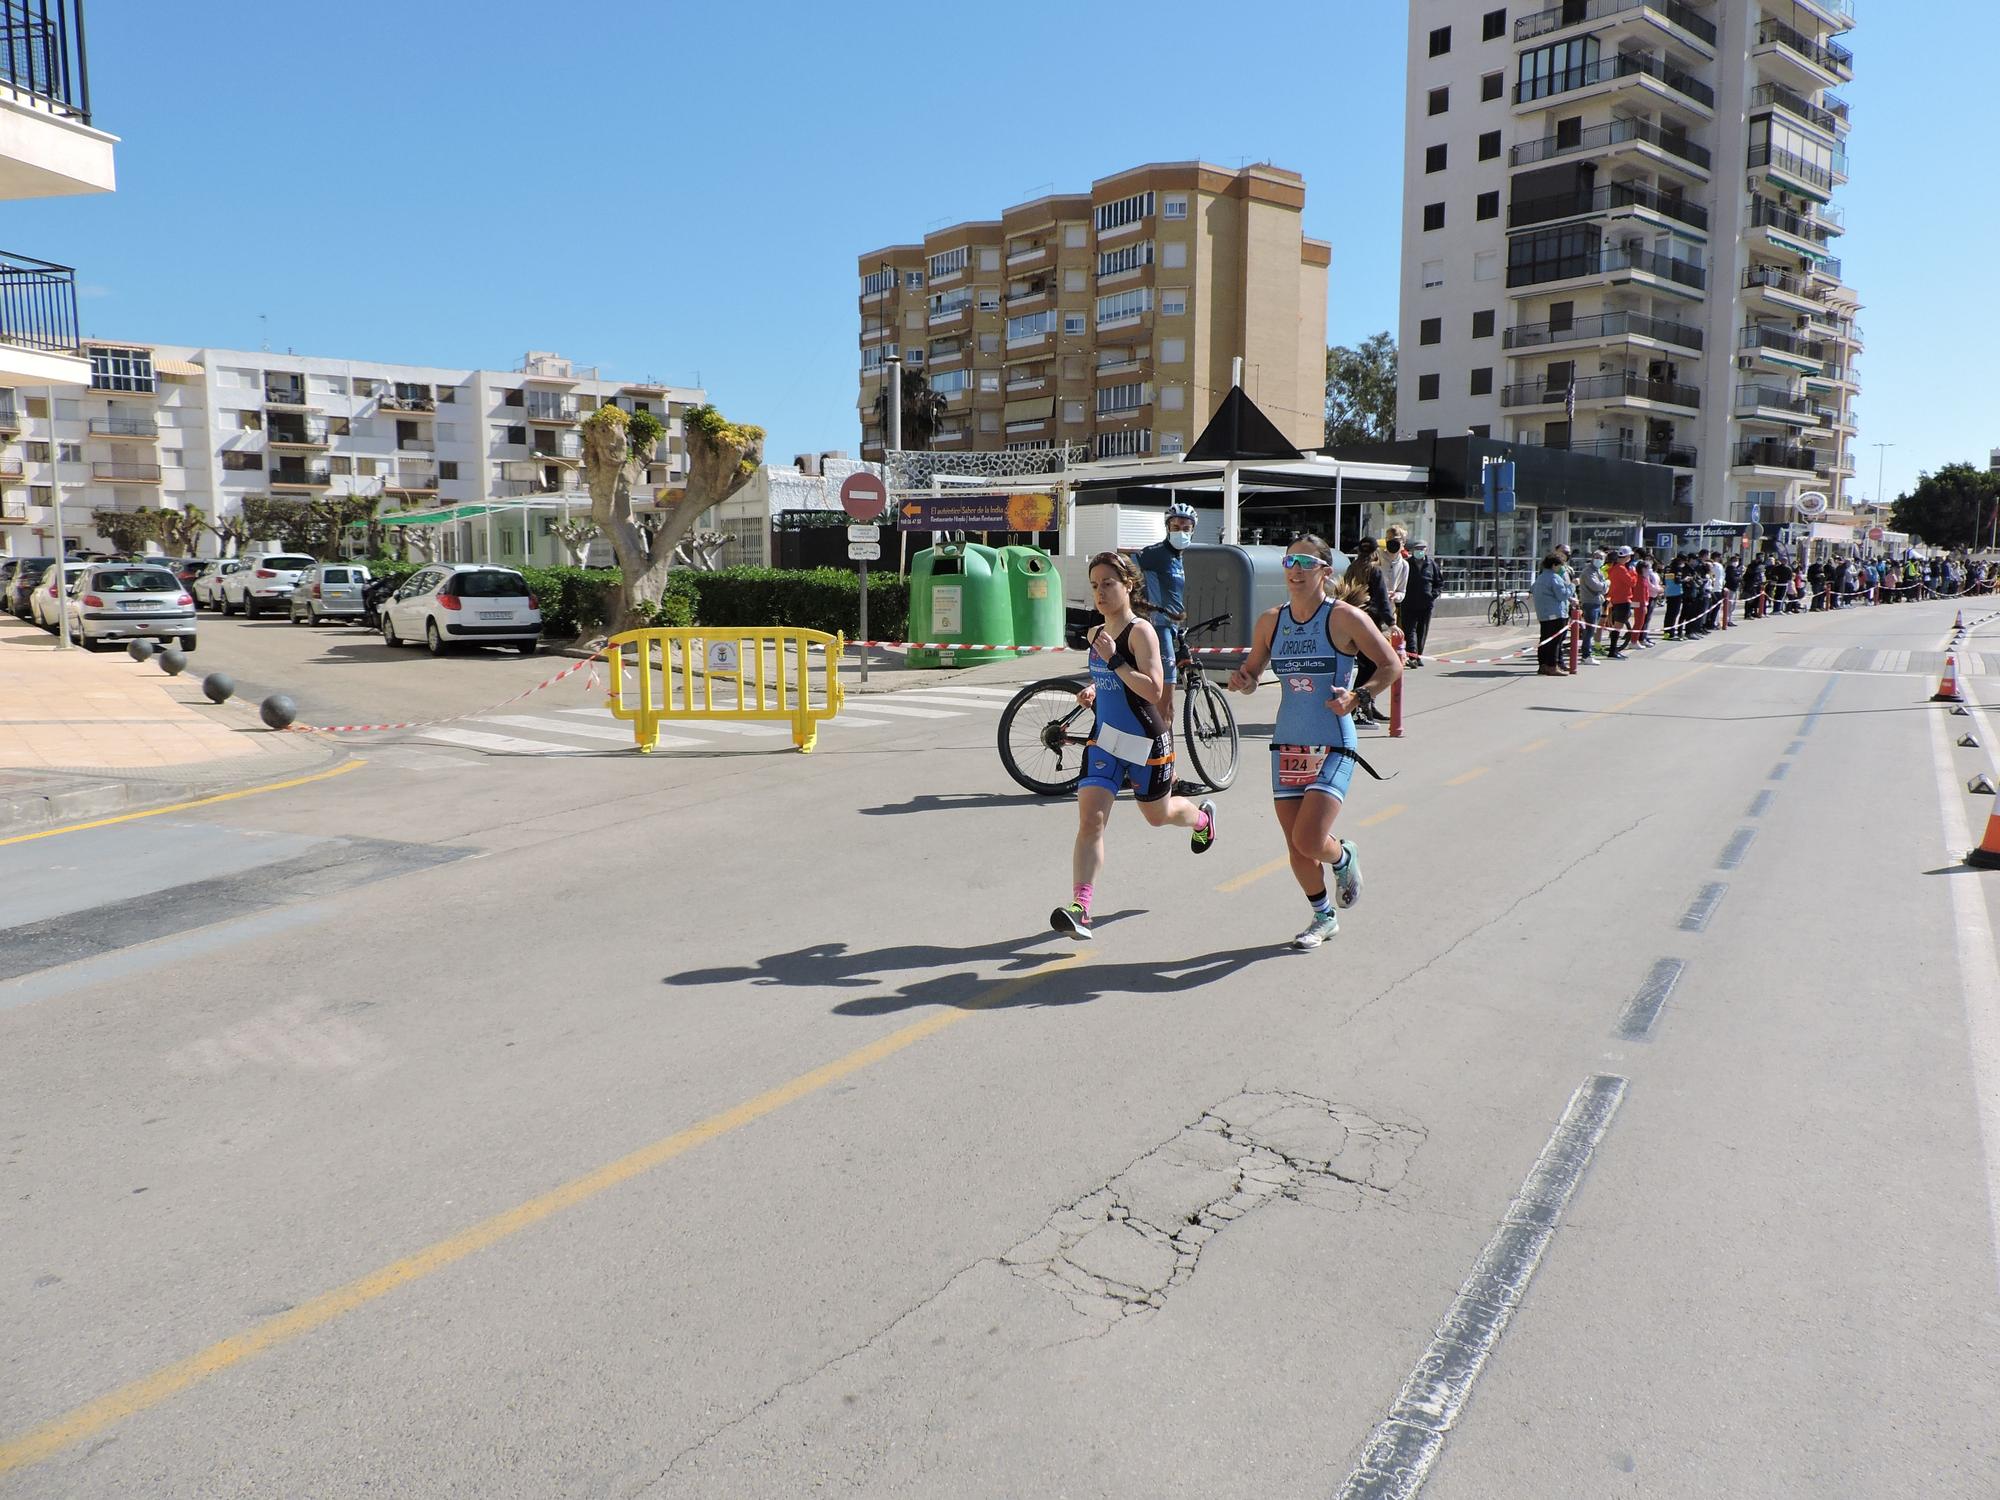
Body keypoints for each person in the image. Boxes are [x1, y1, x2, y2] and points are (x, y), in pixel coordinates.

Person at [1228, 536, 1401, 950]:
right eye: (1290, 561)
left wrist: (1359, 696)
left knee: (1310, 839)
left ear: (1325, 570)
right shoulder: (1271, 620)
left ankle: (1343, 857)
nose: (1296, 569)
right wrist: (1243, 681)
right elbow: (1251, 675)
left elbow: (1391, 665)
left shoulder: (1344, 618)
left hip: (1332, 741)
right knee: (1297, 848)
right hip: (1287, 743)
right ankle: (1323, 917)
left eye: (1306, 562)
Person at [1049, 552, 1216, 941]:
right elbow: (1109, 678)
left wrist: (1115, 663)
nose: (1101, 592)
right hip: (1105, 741)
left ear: (1128, 586)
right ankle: (1081, 908)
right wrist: (1095, 688)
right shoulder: (1095, 634)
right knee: (1091, 821)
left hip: (1145, 742)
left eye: (1108, 583)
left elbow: (1154, 689)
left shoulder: (1142, 632)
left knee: (1158, 817)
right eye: (1094, 585)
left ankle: (1202, 820)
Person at [1133, 500, 1196, 732]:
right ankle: (1166, 764)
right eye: (1176, 527)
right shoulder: (1157, 554)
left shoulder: (1178, 558)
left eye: (1186, 528)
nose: (1181, 531)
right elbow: (1125, 565)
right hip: (1159, 628)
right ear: (1167, 528)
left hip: (1172, 627)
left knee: (1159, 704)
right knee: (1165, 707)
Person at [1342, 537, 1395, 723]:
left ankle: (1366, 705)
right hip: (1368, 624)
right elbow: (1382, 601)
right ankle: (1358, 707)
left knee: (1366, 666)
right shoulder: (1374, 571)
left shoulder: (1351, 569)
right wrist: (1392, 623)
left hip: (1350, 623)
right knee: (1372, 667)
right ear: (1375, 552)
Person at [1399, 536, 1444, 665]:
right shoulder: (1406, 564)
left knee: (1422, 631)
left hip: (1426, 604)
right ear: (1413, 550)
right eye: (1417, 549)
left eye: (1422, 549)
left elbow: (1439, 583)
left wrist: (1433, 595)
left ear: (1426, 550)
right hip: (1409, 603)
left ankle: (1418, 656)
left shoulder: (1432, 565)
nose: (1420, 551)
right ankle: (1413, 656)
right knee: (1410, 630)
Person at [1530, 553, 1574, 676]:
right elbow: (1562, 595)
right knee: (1555, 642)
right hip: (1556, 614)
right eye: (1561, 565)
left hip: (1543, 614)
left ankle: (1542, 665)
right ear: (1554, 565)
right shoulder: (1554, 578)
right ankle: (1552, 666)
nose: (1562, 568)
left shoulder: (1541, 577)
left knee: (1544, 640)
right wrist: (1572, 586)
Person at [1603, 545, 1638, 658]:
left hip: (1615, 599)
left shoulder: (1613, 567)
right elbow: (1632, 583)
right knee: (1617, 627)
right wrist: (1633, 573)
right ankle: (1613, 651)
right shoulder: (1621, 569)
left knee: (1616, 626)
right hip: (1622, 600)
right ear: (1627, 556)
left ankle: (1613, 650)